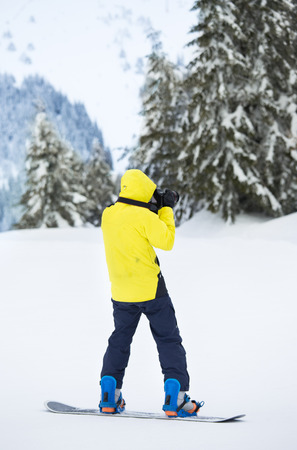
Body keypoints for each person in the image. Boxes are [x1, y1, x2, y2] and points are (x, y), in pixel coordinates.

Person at [99, 169, 203, 417]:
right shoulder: (145, 217)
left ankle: (109, 396)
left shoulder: (108, 215)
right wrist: (166, 208)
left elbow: (130, 223)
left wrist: (150, 206)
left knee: (120, 340)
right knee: (168, 339)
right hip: (151, 290)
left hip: (121, 291)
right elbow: (166, 240)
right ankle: (175, 400)